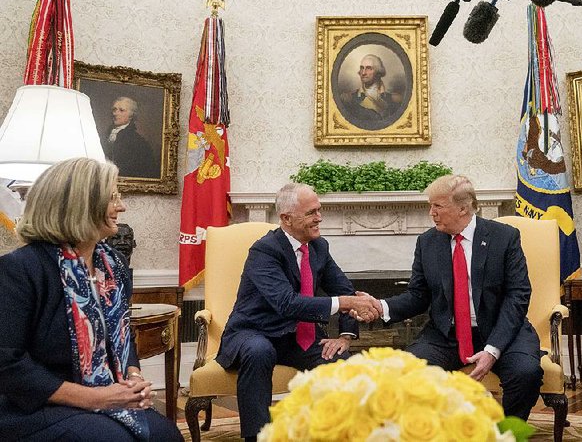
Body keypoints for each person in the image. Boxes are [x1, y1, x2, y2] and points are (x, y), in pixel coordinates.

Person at [0, 158, 181, 441]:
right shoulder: (21, 268)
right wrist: (93, 398)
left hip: (105, 396)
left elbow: (122, 338)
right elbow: (8, 364)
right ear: (80, 204)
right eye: (112, 198)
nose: (121, 206)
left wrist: (133, 379)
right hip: (36, 407)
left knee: (166, 435)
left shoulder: (114, 265)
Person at [361, 174, 543, 420]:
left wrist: (492, 349)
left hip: (502, 331)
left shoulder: (504, 237)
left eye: (437, 206)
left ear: (463, 208)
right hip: (447, 335)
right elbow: (418, 295)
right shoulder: (428, 242)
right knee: (408, 371)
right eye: (430, 205)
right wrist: (380, 306)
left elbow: (517, 296)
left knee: (526, 373)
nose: (431, 212)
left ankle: (508, 432)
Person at [215, 182, 380, 442]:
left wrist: (346, 336)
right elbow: (287, 303)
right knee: (260, 351)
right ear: (286, 218)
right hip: (253, 332)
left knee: (341, 363)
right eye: (311, 212)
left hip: (296, 338)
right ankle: (257, 438)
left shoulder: (318, 247)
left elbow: (345, 290)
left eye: (319, 210)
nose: (319, 217)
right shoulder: (265, 250)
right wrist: (348, 303)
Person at [101, 96, 159, 179]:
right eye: (114, 109)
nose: (115, 113)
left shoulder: (138, 142)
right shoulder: (103, 136)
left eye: (121, 110)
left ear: (131, 116)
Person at [340, 54, 401, 130]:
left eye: (369, 68)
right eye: (362, 68)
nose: (363, 73)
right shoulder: (349, 98)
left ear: (378, 72)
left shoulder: (394, 99)